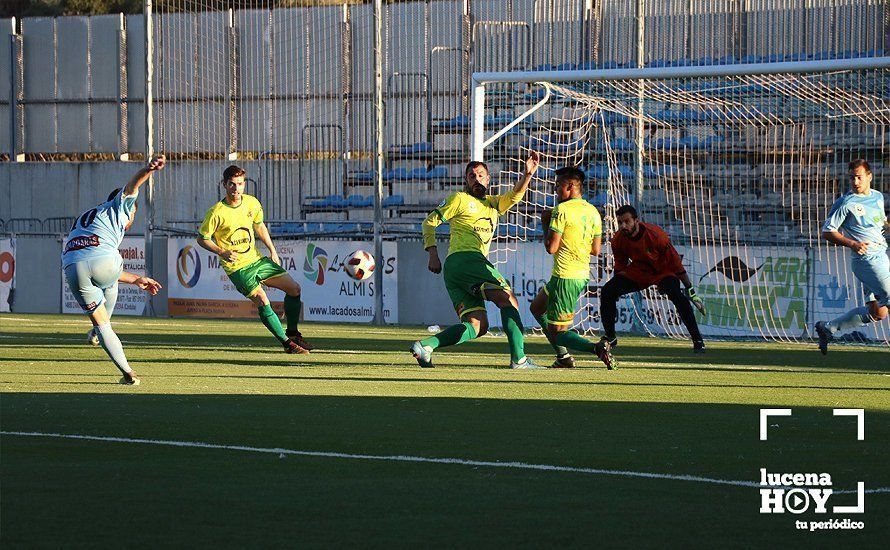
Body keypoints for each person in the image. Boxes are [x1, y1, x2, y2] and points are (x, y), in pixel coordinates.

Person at [411, 152, 543, 369]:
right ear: (466, 181)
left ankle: (425, 346)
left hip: (458, 271)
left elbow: (515, 196)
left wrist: (528, 175)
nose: (476, 179)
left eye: (481, 175)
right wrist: (432, 253)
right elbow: (429, 223)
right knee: (508, 300)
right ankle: (519, 359)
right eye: (471, 176)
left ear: (488, 179)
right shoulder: (460, 199)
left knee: (477, 324)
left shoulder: (493, 204)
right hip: (466, 260)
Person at [62, 155, 166, 385]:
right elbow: (133, 186)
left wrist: (137, 279)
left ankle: (126, 370)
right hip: (105, 262)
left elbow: (89, 255)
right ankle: (119, 360)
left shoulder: (85, 217)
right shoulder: (120, 206)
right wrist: (149, 169)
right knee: (109, 281)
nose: (131, 222)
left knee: (102, 324)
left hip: (72, 266)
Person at [197, 165, 313, 354]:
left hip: (257, 260)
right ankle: (287, 344)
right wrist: (221, 251)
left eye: (240, 184)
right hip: (237, 268)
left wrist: (272, 250)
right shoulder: (216, 212)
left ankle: (293, 333)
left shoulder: (252, 203)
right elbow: (202, 239)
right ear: (224, 185)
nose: (236, 189)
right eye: (232, 184)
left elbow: (259, 227)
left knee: (294, 289)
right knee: (262, 299)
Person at [528, 166, 613, 369]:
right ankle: (564, 358)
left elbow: (551, 248)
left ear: (571, 186)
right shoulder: (593, 212)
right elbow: (596, 250)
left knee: (558, 332)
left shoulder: (562, 210)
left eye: (558, 187)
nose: (556, 191)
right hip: (580, 273)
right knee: (537, 307)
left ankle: (597, 348)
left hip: (565, 276)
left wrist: (545, 224)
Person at [600, 204, 706, 353]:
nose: (623, 226)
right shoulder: (618, 240)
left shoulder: (656, 235)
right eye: (620, 222)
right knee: (607, 291)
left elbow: (675, 263)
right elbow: (620, 265)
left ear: (636, 221)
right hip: (639, 272)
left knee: (675, 294)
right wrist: (616, 287)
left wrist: (691, 290)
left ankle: (697, 339)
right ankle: (610, 337)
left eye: (627, 221)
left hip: (663, 271)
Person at [815, 159, 889, 354]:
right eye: (851, 178)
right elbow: (827, 231)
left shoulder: (878, 197)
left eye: (859, 177)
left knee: (878, 313)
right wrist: (852, 243)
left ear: (869, 176)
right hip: (867, 261)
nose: (855, 182)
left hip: (881, 256)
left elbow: (880, 223)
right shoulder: (846, 203)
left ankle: (828, 328)